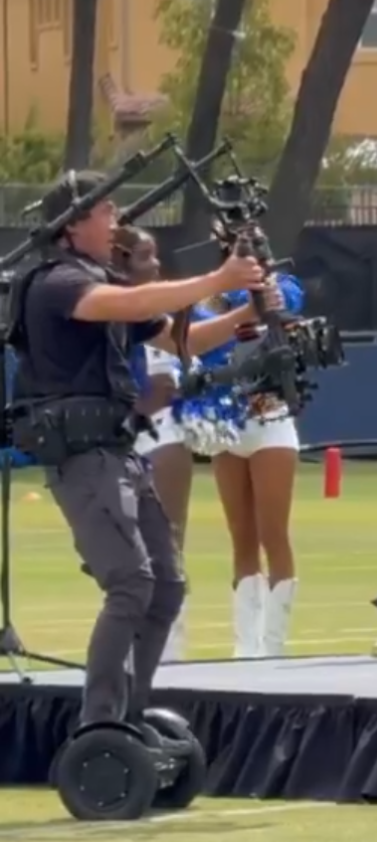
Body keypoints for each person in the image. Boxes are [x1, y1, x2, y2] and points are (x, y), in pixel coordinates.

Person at [6, 171, 262, 735]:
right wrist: (218, 277)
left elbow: (183, 340)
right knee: (129, 583)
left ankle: (132, 714)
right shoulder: (56, 282)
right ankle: (99, 728)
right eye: (106, 211)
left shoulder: (99, 277)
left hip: (120, 450)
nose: (116, 220)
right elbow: (135, 300)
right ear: (73, 224)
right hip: (82, 455)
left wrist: (246, 313)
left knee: (166, 584)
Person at [195, 264, 309, 659]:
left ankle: (273, 645)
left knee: (273, 533)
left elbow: (290, 299)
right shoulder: (206, 303)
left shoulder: (278, 287)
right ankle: (245, 646)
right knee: (240, 538)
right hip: (227, 426)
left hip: (272, 422)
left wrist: (251, 291)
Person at [113, 227, 200, 662]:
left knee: (168, 543)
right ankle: (127, 649)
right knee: (124, 554)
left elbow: (179, 371)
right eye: (146, 257)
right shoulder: (104, 305)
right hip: (114, 438)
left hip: (163, 433)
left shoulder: (166, 313)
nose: (158, 266)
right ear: (122, 262)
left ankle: (169, 651)